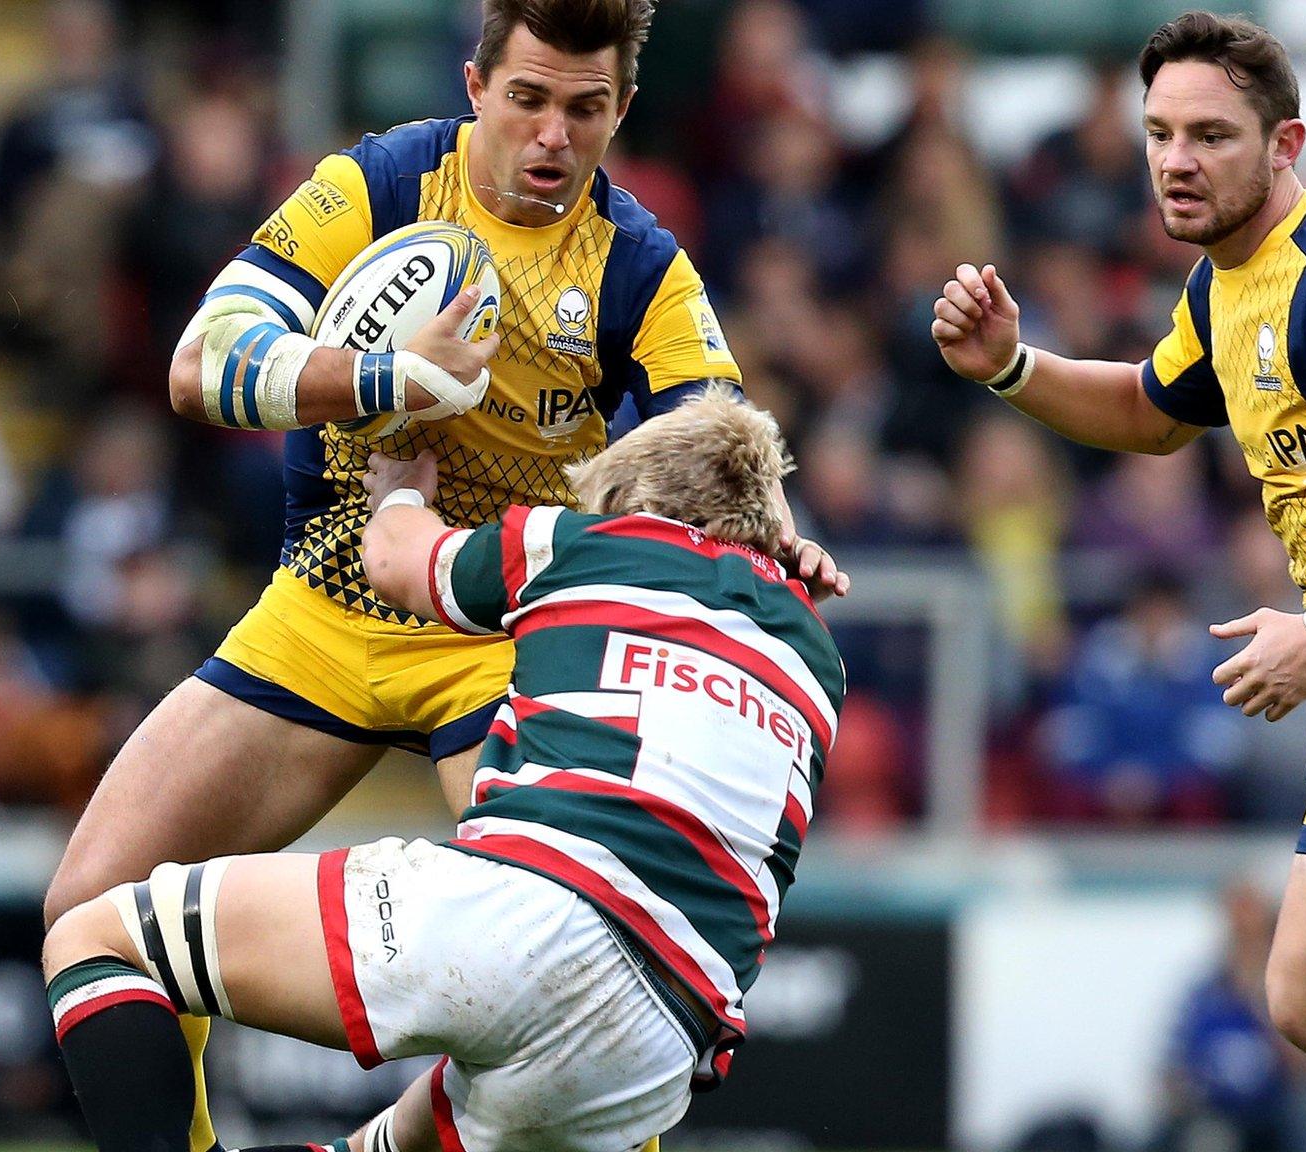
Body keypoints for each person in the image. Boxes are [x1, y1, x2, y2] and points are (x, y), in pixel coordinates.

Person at [44, 3, 844, 1148]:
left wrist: (776, 536)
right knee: (88, 907)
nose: (551, 138)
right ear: (475, 84)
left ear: (619, 111)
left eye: (583, 109)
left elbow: (720, 457)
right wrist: (383, 377)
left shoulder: (641, 270)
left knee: (593, 941)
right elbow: (198, 363)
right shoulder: (377, 185)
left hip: (496, 635)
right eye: (525, 100)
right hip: (325, 605)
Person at [930, 12, 1306, 1150]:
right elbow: (1149, 415)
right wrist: (1011, 364)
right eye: (1157, 133)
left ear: (1284, 142)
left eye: (1207, 134)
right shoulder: (1224, 286)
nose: (1173, 160)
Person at [42, 387, 844, 1152]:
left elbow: (395, 563)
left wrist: (398, 490)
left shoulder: (589, 546)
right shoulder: (818, 659)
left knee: (97, 934)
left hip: (531, 917)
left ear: (644, 504)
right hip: (664, 1040)